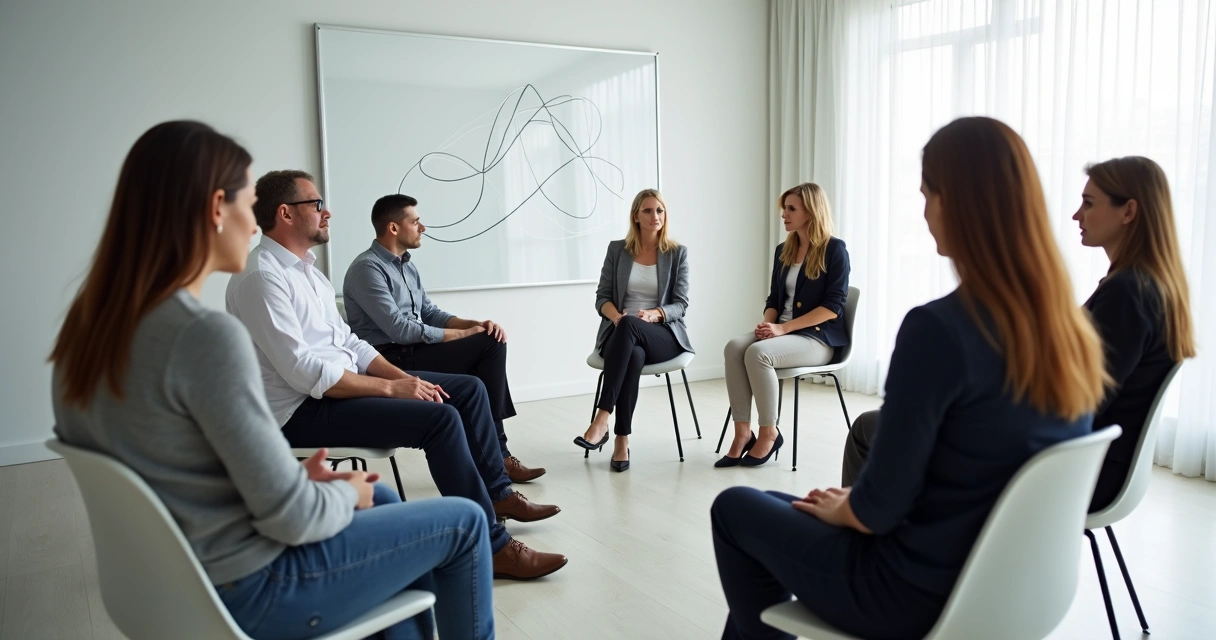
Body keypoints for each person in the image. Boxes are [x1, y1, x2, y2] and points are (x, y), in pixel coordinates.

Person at [50, 121, 494, 639]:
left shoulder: (86, 330)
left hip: (169, 585)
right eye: (247, 201)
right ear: (217, 208)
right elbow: (294, 520)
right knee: (463, 522)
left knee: (385, 502)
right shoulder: (202, 335)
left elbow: (184, 467)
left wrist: (300, 483)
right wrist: (340, 493)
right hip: (254, 586)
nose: (254, 219)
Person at [711, 116, 1109, 639]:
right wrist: (851, 507)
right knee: (775, 509)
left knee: (735, 507)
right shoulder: (1071, 331)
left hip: (911, 589)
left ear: (955, 203)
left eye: (927, 196)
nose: (924, 213)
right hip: (1012, 588)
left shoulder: (939, 329)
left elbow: (877, 511)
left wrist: (851, 508)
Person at [225, 169, 567, 580]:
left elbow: (351, 343)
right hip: (299, 412)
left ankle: (496, 495)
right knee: (441, 419)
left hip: (337, 391)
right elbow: (304, 373)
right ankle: (490, 547)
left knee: (470, 390)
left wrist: (404, 380)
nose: (327, 212)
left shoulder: (309, 274)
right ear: (286, 213)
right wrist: (391, 387)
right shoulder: (263, 278)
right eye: (316, 204)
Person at [343, 194, 544, 484]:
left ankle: (497, 457)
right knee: (486, 349)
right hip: (387, 359)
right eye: (415, 222)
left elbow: (429, 313)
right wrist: (461, 335)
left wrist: (475, 325)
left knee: (490, 340)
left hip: (413, 349)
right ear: (393, 228)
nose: (422, 228)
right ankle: (499, 457)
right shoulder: (367, 269)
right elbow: (400, 330)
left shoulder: (406, 265)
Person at [1073, 156, 1196, 511]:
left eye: (1088, 203)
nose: (1077, 216)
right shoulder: (1150, 284)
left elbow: (1083, 400)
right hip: (1103, 467)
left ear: (1128, 211)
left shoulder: (1128, 292)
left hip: (1084, 475)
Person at [718, 183, 849, 468]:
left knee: (757, 354)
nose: (784, 214)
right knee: (734, 347)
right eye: (784, 208)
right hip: (781, 333)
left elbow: (833, 307)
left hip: (818, 339)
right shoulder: (784, 250)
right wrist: (768, 325)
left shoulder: (834, 249)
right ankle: (743, 433)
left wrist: (782, 330)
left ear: (810, 212)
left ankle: (769, 432)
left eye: (791, 209)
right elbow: (774, 299)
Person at [573, 189, 692, 472]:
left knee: (631, 327)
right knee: (633, 353)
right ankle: (621, 441)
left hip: (662, 334)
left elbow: (681, 304)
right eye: (647, 211)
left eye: (659, 210)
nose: (655, 216)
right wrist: (617, 318)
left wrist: (654, 314)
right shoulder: (618, 250)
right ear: (636, 216)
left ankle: (602, 419)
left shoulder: (677, 253)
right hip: (621, 334)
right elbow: (602, 298)